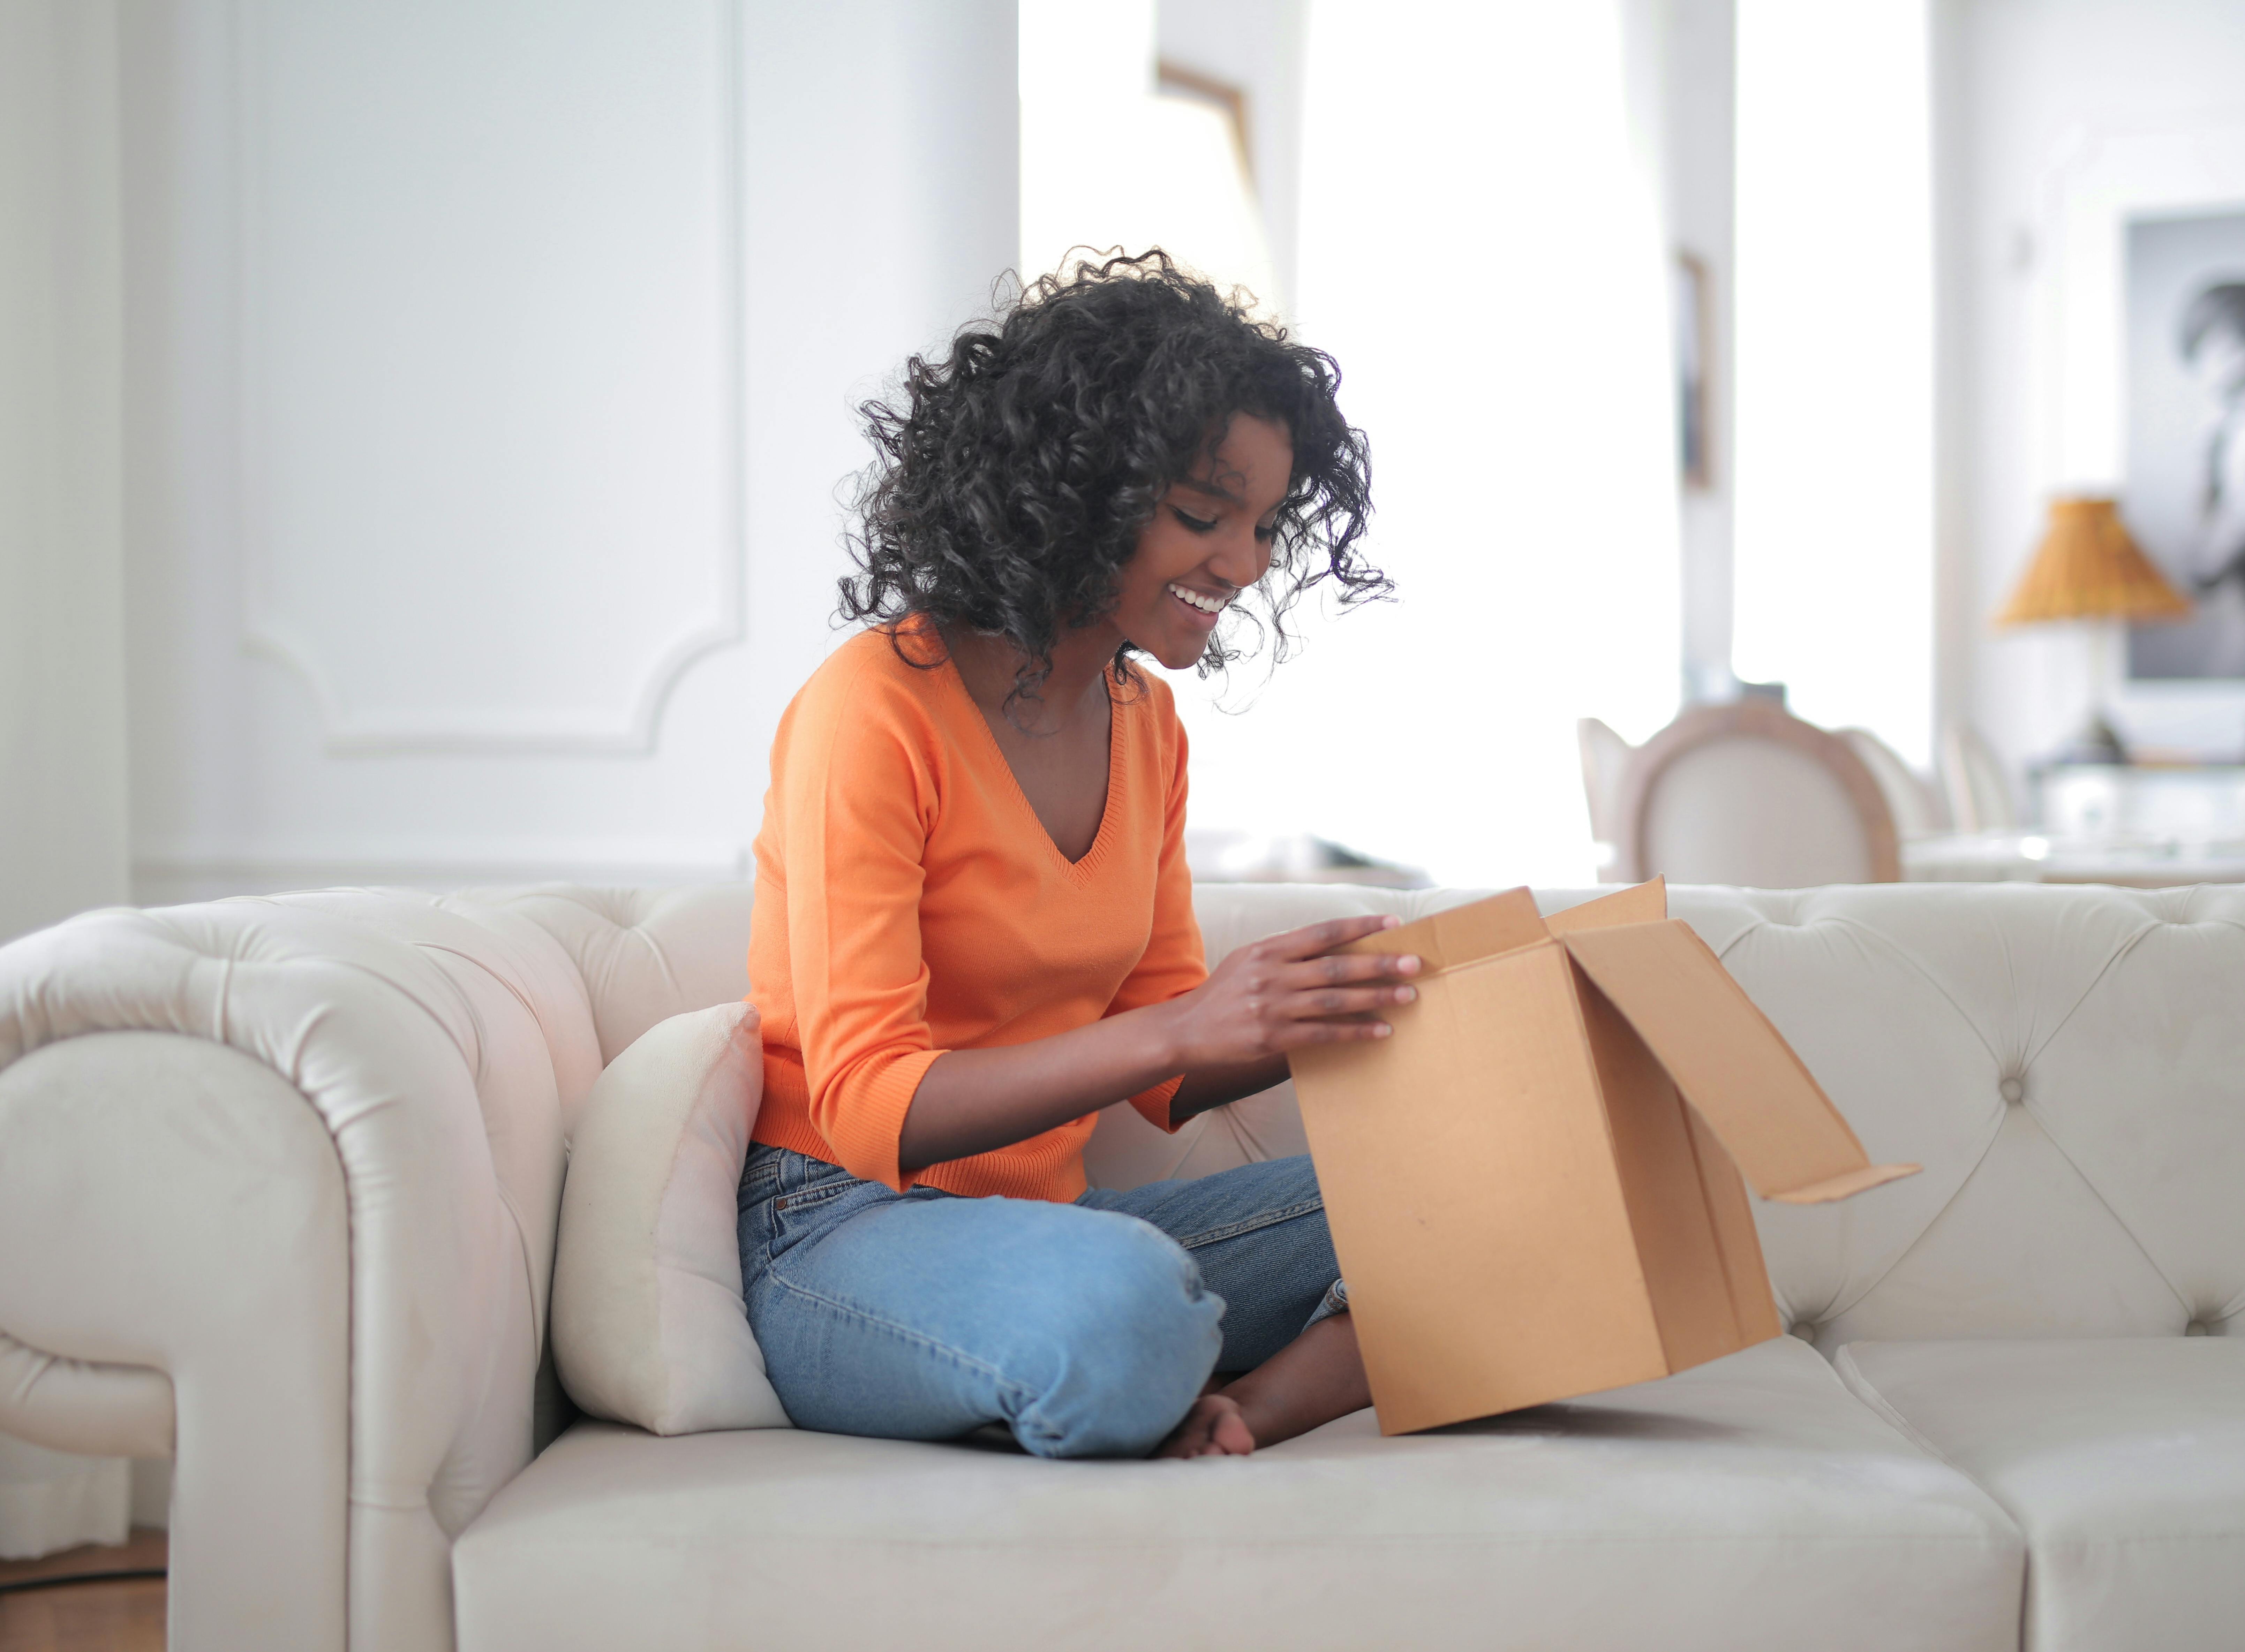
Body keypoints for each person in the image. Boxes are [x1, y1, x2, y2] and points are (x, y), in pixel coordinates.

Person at [737, 250, 1404, 1460]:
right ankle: (1137, 1355)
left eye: (1262, 525)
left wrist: (1323, 1008)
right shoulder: (873, 709)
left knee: (1470, 1188)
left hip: (1057, 1226)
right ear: (1079, 488)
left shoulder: (1146, 723)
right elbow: (867, 1101)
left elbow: (1163, 1055)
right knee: (1126, 1300)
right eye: (1205, 516)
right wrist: (1185, 1029)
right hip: (839, 1229)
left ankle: (1241, 1412)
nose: (1246, 563)